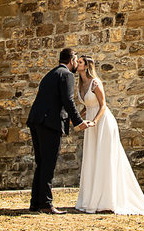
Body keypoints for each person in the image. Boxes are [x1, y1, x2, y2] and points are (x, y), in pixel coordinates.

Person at [75, 55, 144, 215]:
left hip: (103, 122)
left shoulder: (95, 83)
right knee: (92, 157)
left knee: (104, 158)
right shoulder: (80, 84)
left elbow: (103, 105)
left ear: (87, 66)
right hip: (90, 123)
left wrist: (95, 121)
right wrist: (77, 119)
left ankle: (108, 201)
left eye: (80, 62)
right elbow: (87, 106)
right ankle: (91, 198)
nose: (77, 64)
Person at [27, 47, 94, 214]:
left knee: (41, 163)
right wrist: (79, 122)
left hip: (36, 120)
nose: (76, 64)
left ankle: (36, 203)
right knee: (48, 163)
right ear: (71, 61)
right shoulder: (67, 75)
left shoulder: (50, 74)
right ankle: (46, 204)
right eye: (76, 60)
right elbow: (68, 100)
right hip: (50, 123)